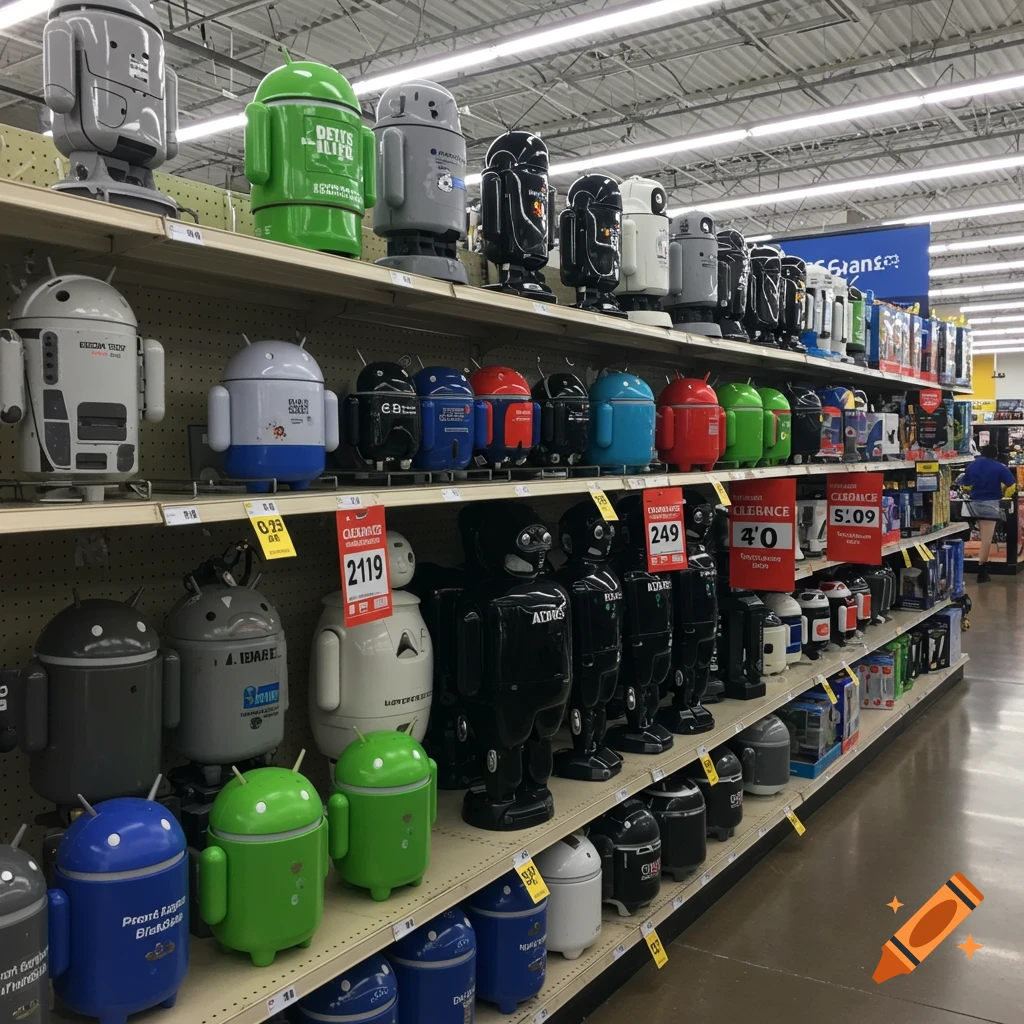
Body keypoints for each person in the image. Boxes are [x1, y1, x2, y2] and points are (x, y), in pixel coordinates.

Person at [956, 444, 1017, 582]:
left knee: (971, 535)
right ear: (995, 454)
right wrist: (1004, 495)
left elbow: (964, 483)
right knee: (986, 539)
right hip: (990, 505)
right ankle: (982, 571)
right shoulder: (1000, 467)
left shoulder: (973, 465)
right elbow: (1011, 485)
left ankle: (962, 564)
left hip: (972, 505)